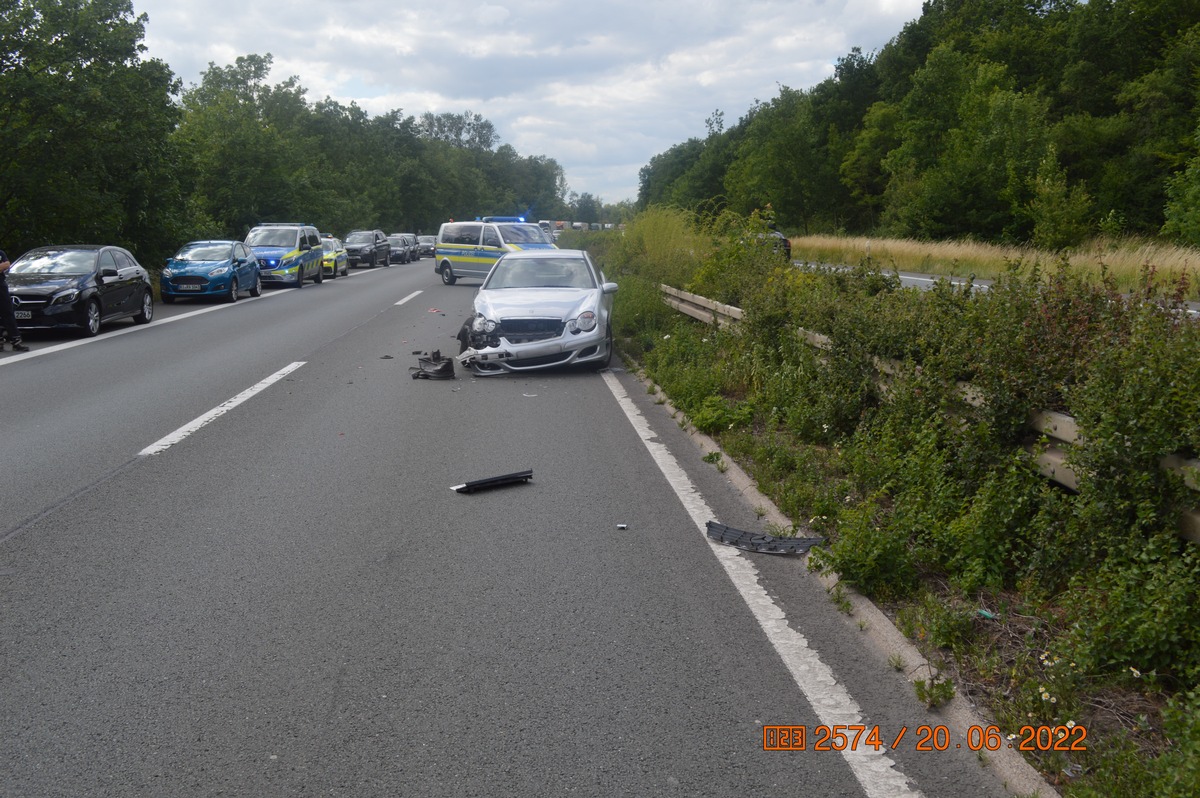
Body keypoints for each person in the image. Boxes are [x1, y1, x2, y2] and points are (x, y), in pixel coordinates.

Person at [0, 248, 30, 352]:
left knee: (8, 313)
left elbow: (7, 264)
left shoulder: (0, 253)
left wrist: (3, 266)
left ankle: (16, 342)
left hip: (1, 286)